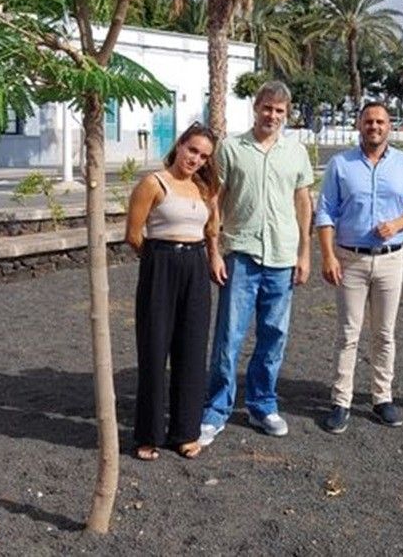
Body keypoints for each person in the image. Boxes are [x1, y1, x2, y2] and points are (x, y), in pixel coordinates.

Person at [198, 81, 313, 446]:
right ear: (255, 108)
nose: (272, 116)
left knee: (273, 336)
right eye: (267, 108)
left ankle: (263, 404)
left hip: (281, 256)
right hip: (242, 255)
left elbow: (303, 203)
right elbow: (215, 201)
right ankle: (216, 409)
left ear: (286, 114)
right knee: (229, 335)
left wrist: (305, 252)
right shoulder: (232, 149)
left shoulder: (296, 153)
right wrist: (213, 250)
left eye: (279, 111)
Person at [315, 101, 403, 434]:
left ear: (389, 126)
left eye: (380, 121)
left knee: (384, 333)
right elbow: (325, 213)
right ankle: (341, 401)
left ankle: (382, 397)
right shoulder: (341, 164)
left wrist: (397, 224)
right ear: (359, 125)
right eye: (368, 121)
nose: (374, 127)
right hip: (350, 259)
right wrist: (328, 255)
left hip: (391, 259)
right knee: (348, 333)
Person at [124, 122, 221, 461]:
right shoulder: (154, 183)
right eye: (192, 150)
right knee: (154, 349)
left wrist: (211, 257)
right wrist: (158, 262)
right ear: (179, 145)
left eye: (204, 156)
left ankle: (185, 432)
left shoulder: (204, 189)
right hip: (161, 263)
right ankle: (148, 434)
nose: (195, 159)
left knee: (192, 350)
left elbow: (211, 230)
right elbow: (134, 235)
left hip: (195, 266)